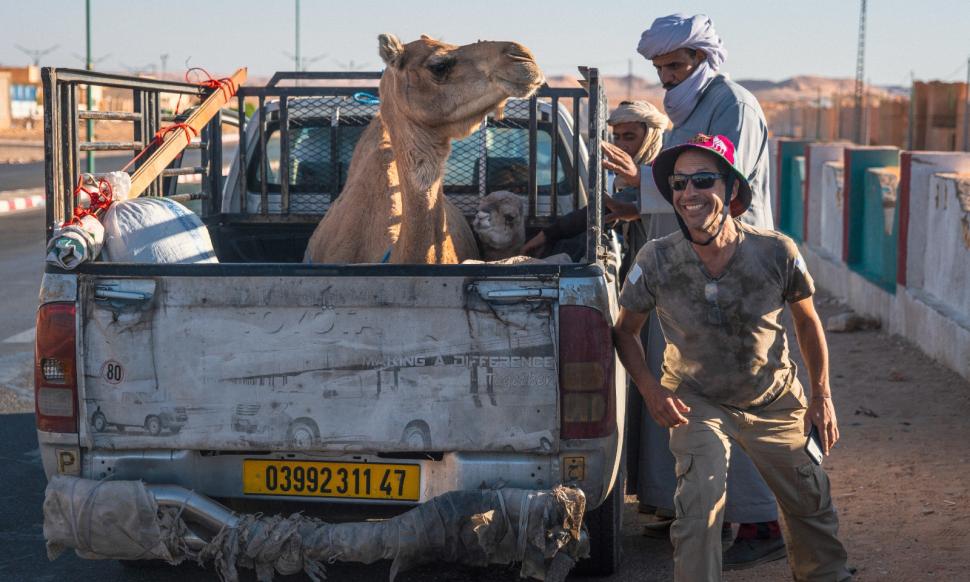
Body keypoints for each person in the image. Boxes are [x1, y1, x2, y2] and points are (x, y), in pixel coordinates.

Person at [614, 134, 852, 581]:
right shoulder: (658, 259)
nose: (688, 194)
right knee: (698, 509)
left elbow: (807, 322)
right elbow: (625, 332)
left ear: (732, 189)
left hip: (774, 399)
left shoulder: (776, 251)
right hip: (697, 401)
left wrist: (821, 395)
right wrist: (650, 389)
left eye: (703, 180)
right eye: (679, 184)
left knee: (810, 504)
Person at [607, 13, 783, 568]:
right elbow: (681, 190)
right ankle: (683, 507)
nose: (666, 76)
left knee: (740, 392)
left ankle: (762, 523)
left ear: (703, 60)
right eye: (660, 68)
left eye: (676, 65)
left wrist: (643, 183)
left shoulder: (733, 105)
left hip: (738, 267)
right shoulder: (692, 109)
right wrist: (634, 205)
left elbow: (719, 181)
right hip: (695, 266)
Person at [520, 100, 668, 260]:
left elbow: (603, 210)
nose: (621, 145)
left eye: (629, 137)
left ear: (650, 137)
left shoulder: (656, 175)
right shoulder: (626, 180)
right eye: (617, 137)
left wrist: (547, 234)